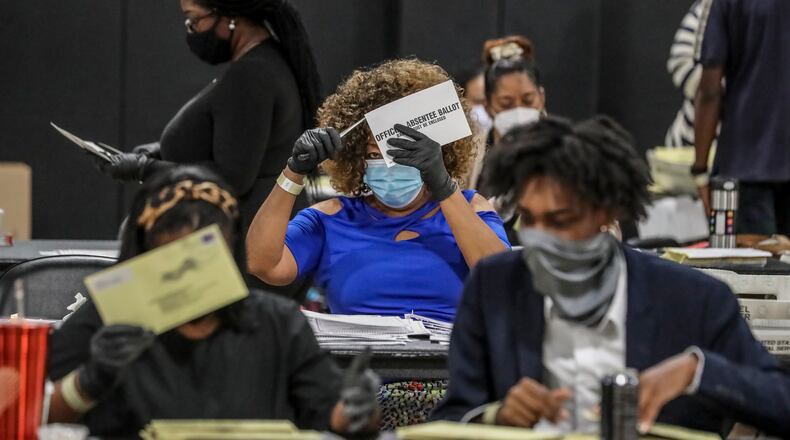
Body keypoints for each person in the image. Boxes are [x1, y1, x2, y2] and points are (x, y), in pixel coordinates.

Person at [432, 116, 790, 437]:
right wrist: (498, 416)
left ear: (606, 213)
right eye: (530, 219)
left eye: (560, 220)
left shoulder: (695, 300)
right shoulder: (494, 286)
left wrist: (698, 371)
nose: (540, 237)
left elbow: (780, 402)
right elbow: (454, 414)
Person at [45, 166, 379, 436]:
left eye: (202, 255)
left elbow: (332, 417)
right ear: (144, 253)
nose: (186, 274)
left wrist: (356, 410)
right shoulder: (109, 317)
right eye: (171, 257)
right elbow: (26, 413)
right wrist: (86, 382)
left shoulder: (277, 322)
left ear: (229, 250)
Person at [246, 59, 510, 323]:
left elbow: (502, 278)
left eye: (404, 153)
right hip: (359, 361)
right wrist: (294, 171)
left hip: (449, 361)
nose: (390, 165)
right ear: (357, 159)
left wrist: (442, 184)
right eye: (375, 154)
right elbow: (262, 264)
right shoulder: (331, 218)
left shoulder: (470, 207)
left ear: (438, 152)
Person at [94, 0, 319, 234]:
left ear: (230, 17)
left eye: (194, 19)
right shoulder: (263, 63)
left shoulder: (252, 75)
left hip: (244, 244)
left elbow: (233, 177)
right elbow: (236, 144)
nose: (191, 29)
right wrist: (160, 151)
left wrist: (145, 169)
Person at [693, 0, 790, 235]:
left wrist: (700, 169)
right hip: (746, 168)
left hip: (742, 166)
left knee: (743, 267)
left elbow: (709, 91)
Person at [470, 35, 545, 196]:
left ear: (541, 97)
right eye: (506, 104)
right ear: (488, 106)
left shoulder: (563, 148)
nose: (518, 110)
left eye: (528, 100)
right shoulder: (472, 156)